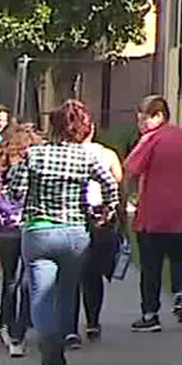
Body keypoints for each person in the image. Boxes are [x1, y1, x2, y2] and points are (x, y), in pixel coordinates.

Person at [7, 101, 119, 365]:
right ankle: (60, 341)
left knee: (40, 293)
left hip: (39, 231)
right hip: (74, 233)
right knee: (67, 291)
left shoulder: (34, 155)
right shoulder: (86, 157)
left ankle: (47, 341)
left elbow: (16, 192)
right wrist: (107, 211)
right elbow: (110, 184)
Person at [123, 95, 182, 332]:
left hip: (154, 216)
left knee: (151, 267)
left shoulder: (151, 139)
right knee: (181, 258)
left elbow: (130, 171)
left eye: (143, 120)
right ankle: (181, 293)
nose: (140, 126)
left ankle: (150, 313)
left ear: (158, 116)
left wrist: (122, 202)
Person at [0, 124, 43, 357]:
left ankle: (3, 321)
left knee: (9, 278)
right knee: (27, 277)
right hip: (26, 225)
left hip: (3, 229)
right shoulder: (30, 163)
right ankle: (22, 323)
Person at [68, 135, 127, 346]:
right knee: (92, 274)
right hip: (99, 215)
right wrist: (115, 213)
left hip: (71, 213)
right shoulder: (106, 154)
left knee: (70, 275)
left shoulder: (60, 153)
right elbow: (118, 181)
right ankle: (92, 322)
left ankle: (70, 328)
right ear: (90, 130)